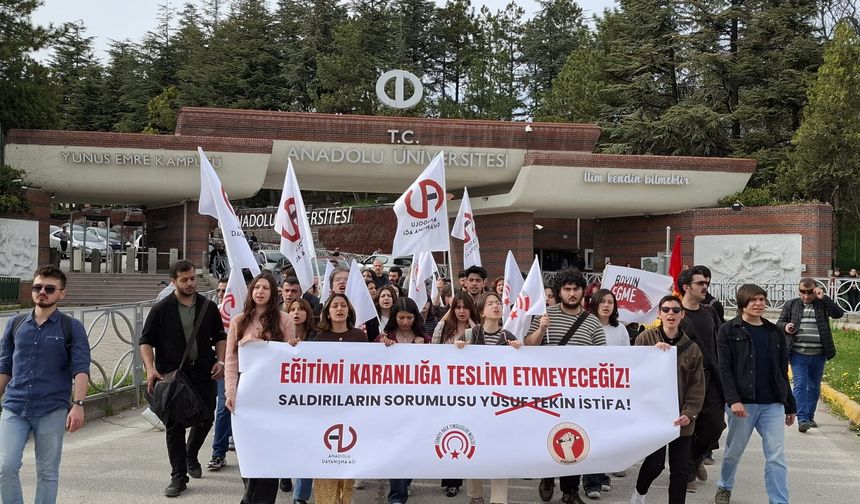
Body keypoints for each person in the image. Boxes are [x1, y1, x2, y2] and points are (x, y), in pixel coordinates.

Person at [0, 265, 90, 504]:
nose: (42, 292)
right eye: (37, 287)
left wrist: (78, 404)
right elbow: (4, 368)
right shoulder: (15, 324)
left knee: (47, 472)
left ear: (62, 293)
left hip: (51, 408)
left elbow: (81, 368)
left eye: (49, 288)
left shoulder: (71, 328)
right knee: (5, 467)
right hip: (14, 406)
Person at [139, 260, 226, 498]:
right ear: (173, 281)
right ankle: (178, 476)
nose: (190, 283)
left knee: (206, 417)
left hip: (205, 372)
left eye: (192, 278)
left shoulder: (208, 306)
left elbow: (220, 336)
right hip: (173, 375)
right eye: (184, 279)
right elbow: (145, 341)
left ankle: (191, 454)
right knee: (174, 426)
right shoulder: (161, 309)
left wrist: (221, 360)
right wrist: (150, 368)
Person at [525, 269, 605, 504]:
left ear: (583, 292)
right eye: (567, 289)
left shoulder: (592, 322)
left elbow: (605, 358)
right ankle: (547, 477)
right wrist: (540, 329)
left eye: (576, 289)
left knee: (575, 437)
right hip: (547, 391)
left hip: (579, 394)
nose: (572, 293)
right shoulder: (544, 315)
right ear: (559, 292)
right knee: (548, 436)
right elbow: (528, 346)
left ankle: (570, 490)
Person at [714, 284, 796, 504]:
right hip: (744, 404)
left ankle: (779, 501)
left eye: (762, 299)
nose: (759, 303)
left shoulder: (774, 331)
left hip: (772, 404)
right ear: (743, 303)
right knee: (734, 451)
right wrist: (734, 401)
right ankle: (724, 486)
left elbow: (781, 370)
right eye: (754, 300)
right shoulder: (729, 330)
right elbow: (725, 369)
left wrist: (789, 404)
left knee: (776, 456)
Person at [224, 272, 293, 504]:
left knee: (269, 454)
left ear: (273, 293)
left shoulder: (285, 321)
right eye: (257, 287)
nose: (260, 292)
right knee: (249, 452)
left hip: (274, 396)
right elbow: (231, 361)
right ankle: (249, 496)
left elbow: (289, 357)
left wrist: (261, 345)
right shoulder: (239, 321)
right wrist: (231, 393)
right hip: (247, 394)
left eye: (265, 288)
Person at [631, 296, 705, 504]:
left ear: (682, 314)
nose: (670, 313)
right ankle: (639, 491)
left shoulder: (692, 349)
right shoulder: (645, 339)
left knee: (681, 469)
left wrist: (689, 413)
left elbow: (697, 386)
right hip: (654, 416)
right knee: (655, 464)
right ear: (659, 313)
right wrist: (651, 356)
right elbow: (633, 373)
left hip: (681, 418)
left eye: (675, 310)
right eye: (666, 309)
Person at [456, 292, 522, 504]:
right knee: (473, 446)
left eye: (498, 303)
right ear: (482, 312)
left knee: (500, 451)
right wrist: (458, 350)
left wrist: (518, 351)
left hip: (501, 406)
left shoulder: (509, 337)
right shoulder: (469, 335)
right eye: (491, 304)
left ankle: (498, 499)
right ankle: (475, 495)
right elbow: (453, 367)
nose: (496, 306)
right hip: (475, 405)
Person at [306, 294, 366, 504]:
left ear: (349, 310)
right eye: (335, 306)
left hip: (352, 409)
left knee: (346, 462)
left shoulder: (359, 336)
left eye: (343, 305)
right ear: (328, 312)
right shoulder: (319, 338)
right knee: (324, 460)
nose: (339, 309)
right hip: (325, 409)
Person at [676, 266, 725, 491]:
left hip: (712, 377)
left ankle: (695, 460)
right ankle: (685, 473)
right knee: (688, 427)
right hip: (687, 380)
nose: (705, 286)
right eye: (700, 284)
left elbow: (718, 341)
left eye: (706, 283)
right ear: (686, 287)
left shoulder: (710, 312)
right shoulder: (676, 314)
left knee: (715, 425)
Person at [776, 277, 843, 432]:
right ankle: (802, 418)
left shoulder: (822, 304)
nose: (806, 296)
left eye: (809, 292)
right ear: (798, 291)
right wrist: (786, 326)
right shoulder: (791, 304)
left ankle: (810, 415)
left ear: (815, 290)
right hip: (798, 353)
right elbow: (779, 323)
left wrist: (824, 297)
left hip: (819, 353)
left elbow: (838, 314)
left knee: (813, 387)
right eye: (802, 292)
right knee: (800, 385)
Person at [588, 289, 627, 487]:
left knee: (606, 434)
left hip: (611, 389)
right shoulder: (586, 325)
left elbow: (627, 359)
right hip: (589, 388)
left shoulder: (620, 329)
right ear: (594, 304)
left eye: (610, 302)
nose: (606, 305)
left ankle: (601, 474)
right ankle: (592, 480)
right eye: (602, 301)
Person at [207, 279, 232, 472]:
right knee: (224, 406)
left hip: (245, 365)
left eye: (226, 290)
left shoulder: (243, 311)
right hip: (224, 364)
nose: (223, 293)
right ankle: (218, 452)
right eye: (220, 290)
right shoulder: (214, 310)